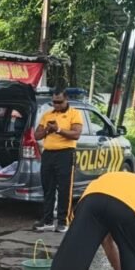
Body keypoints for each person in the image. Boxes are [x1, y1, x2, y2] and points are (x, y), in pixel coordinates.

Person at [34, 89, 83, 233]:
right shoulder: (47, 115)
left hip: (65, 154)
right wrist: (47, 131)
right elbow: (36, 135)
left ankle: (63, 221)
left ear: (66, 99)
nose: (56, 105)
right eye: (54, 102)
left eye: (59, 102)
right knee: (48, 188)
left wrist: (59, 129)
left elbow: (76, 134)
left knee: (64, 188)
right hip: (48, 154)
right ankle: (47, 220)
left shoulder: (74, 113)